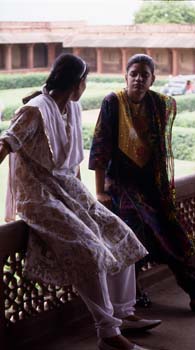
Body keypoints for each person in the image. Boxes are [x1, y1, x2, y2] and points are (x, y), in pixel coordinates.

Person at [0, 53, 162, 350]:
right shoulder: (35, 111)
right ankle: (108, 334)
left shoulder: (69, 107)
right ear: (77, 83)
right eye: (85, 81)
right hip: (39, 196)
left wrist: (84, 199)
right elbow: (5, 144)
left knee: (121, 234)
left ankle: (121, 314)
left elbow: (69, 160)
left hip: (68, 189)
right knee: (90, 250)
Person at [89, 53, 195, 315]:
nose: (139, 79)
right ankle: (134, 294)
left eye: (145, 75)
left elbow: (158, 151)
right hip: (121, 186)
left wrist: (162, 189)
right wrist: (99, 191)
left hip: (151, 185)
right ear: (125, 76)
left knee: (170, 235)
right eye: (134, 74)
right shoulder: (113, 102)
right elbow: (100, 149)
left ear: (153, 79)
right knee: (134, 237)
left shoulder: (158, 104)